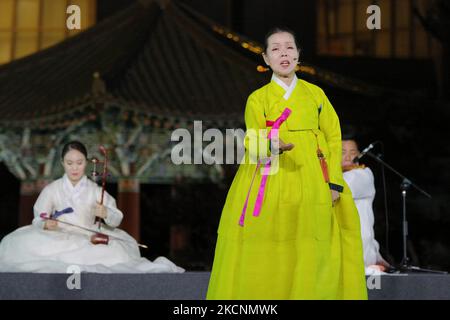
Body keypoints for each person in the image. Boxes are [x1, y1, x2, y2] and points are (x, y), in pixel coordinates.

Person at [207, 27, 367, 299]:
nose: (284, 53)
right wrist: (271, 145)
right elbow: (252, 138)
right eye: (276, 49)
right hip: (271, 178)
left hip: (314, 178)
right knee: (270, 245)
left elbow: (333, 138)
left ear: (298, 55)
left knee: (313, 247)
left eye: (289, 47)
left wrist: (335, 184)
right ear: (266, 59)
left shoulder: (316, 95)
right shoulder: (258, 99)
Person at [0, 141, 184, 273]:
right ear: (63, 163)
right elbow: (39, 215)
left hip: (87, 234)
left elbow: (116, 216)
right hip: (57, 235)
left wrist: (105, 213)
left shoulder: (94, 190)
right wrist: (45, 224)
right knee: (16, 244)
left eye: (79, 163)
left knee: (114, 252)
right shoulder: (52, 189)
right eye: (70, 163)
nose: (75, 168)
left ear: (86, 164)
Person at [342, 137, 390, 275]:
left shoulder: (363, 174)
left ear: (358, 155)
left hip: (358, 248)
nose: (348, 156)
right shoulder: (336, 175)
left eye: (353, 152)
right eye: (342, 152)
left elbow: (342, 188)